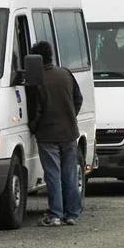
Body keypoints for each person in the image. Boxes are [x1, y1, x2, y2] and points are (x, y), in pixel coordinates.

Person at [28, 41, 83, 227]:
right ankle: (72, 213)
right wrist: (70, 116)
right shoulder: (66, 73)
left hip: (48, 134)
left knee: (53, 175)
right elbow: (78, 98)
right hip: (69, 132)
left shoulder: (37, 80)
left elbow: (37, 110)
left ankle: (55, 215)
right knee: (70, 174)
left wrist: (34, 127)